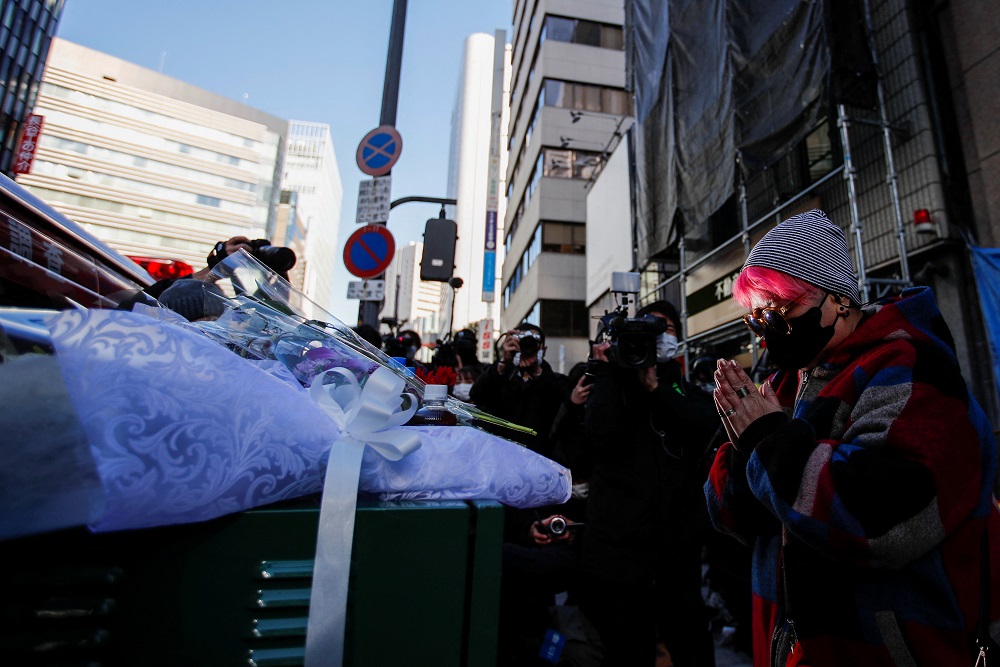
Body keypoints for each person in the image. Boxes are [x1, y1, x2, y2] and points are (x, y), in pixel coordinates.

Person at [705, 209, 1000, 666]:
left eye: (780, 310)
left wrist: (767, 441)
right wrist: (741, 442)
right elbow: (730, 516)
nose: (766, 332)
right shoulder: (788, 383)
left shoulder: (909, 366)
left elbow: (879, 520)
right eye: (756, 317)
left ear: (837, 299)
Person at [581, 300, 718, 667]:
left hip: (676, 550)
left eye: (667, 327)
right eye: (650, 326)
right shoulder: (611, 384)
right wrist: (611, 373)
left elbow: (705, 426)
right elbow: (596, 439)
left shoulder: (680, 388)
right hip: (618, 552)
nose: (658, 334)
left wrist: (657, 388)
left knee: (690, 644)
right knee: (628, 650)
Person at [469, 323, 569, 458]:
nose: (527, 347)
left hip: (542, 460)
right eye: (521, 343)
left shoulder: (557, 381)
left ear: (543, 350)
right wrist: (503, 362)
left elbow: (563, 408)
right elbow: (477, 395)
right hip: (501, 457)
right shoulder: (499, 377)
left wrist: (536, 372)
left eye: (533, 343)